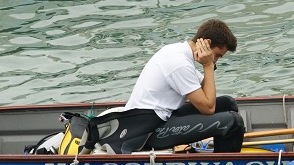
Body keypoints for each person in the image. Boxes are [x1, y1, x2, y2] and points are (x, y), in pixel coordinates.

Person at [89, 19, 245, 154]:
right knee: (233, 122)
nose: (215, 59)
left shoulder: (178, 52)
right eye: (217, 55)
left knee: (228, 103)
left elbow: (206, 91)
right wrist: (209, 65)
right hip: (148, 131)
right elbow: (208, 108)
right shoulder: (179, 63)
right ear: (207, 43)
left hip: (163, 117)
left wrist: (209, 65)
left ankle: (221, 152)